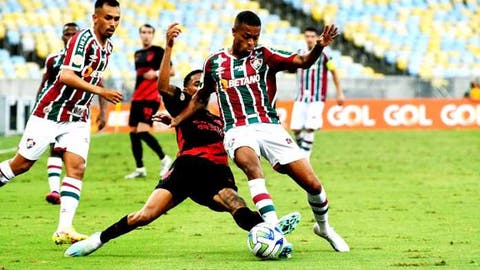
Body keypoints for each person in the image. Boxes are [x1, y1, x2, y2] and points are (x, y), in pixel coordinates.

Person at [64, 23, 297, 258]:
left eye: (203, 84)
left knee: (236, 204)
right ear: (186, 88)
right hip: (186, 169)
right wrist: (169, 46)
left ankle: (274, 234)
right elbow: (163, 86)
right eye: (195, 83)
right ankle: (97, 240)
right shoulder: (184, 103)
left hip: (215, 172)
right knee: (144, 215)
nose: (200, 87)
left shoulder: (224, 116)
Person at [172, 11, 349, 252]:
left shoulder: (265, 56)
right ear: (234, 32)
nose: (252, 43)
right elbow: (201, 98)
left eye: (256, 37)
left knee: (313, 185)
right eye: (247, 37)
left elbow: (304, 62)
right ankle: (274, 228)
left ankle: (324, 228)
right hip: (236, 128)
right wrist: (178, 119)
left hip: (270, 126)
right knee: (251, 166)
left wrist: (319, 47)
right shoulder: (214, 63)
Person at [0, 0, 123, 245]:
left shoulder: (108, 47)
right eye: (108, 18)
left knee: (77, 168)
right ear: (95, 17)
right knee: (21, 165)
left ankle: (64, 228)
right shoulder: (82, 40)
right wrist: (101, 92)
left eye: (116, 19)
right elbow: (66, 76)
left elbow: (96, 77)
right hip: (51, 112)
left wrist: (101, 107)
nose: (112, 23)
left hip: (77, 117)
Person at [38, 22, 107, 205]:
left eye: (73, 34)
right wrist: (39, 104)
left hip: (77, 114)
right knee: (50, 150)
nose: (70, 37)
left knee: (73, 158)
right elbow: (45, 84)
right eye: (67, 34)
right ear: (63, 37)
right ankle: (54, 190)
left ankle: (63, 195)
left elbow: (99, 85)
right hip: (54, 111)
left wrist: (103, 112)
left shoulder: (90, 58)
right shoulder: (53, 59)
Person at [124, 23, 173, 179]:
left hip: (151, 97)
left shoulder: (158, 51)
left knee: (143, 131)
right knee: (133, 133)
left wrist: (157, 73)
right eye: (143, 32)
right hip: (137, 97)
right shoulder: (137, 54)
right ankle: (140, 168)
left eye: (149, 32)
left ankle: (165, 159)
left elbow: (171, 71)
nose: (146, 35)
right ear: (140, 34)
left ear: (153, 35)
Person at [290, 26, 345, 158]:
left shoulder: (325, 55)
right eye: (307, 36)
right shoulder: (299, 53)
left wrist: (339, 92)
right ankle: (302, 151)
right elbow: (291, 69)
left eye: (312, 36)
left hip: (317, 97)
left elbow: (334, 71)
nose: (309, 39)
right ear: (304, 37)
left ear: (316, 37)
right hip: (301, 97)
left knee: (310, 126)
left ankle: (305, 157)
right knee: (296, 129)